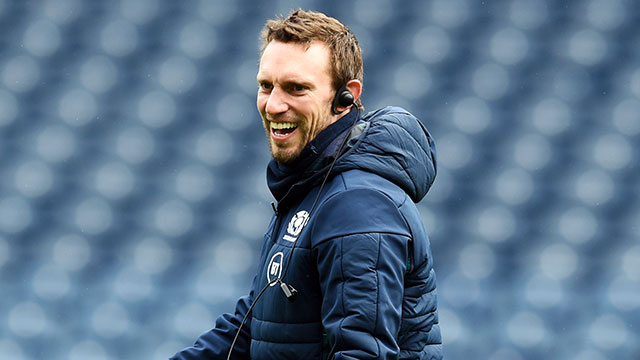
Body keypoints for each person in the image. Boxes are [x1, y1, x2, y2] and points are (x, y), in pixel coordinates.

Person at [172, 9, 441, 360]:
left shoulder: (357, 204)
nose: (273, 105)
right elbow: (252, 328)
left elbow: (361, 355)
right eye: (265, 86)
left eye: (296, 88)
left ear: (346, 97)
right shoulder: (311, 188)